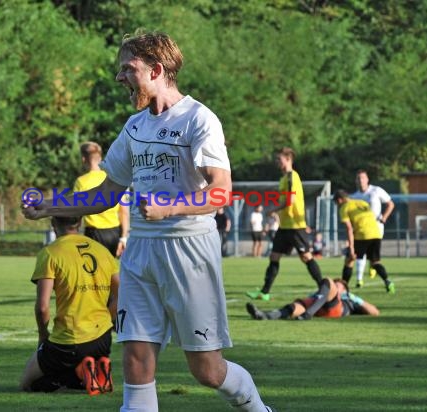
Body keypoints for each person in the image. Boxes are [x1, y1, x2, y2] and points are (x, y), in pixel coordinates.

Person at [23, 31, 273, 412]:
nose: (120, 77)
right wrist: (48, 204)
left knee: (206, 370)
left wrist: (168, 208)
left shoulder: (198, 119)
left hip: (189, 252)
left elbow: (221, 191)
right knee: (136, 358)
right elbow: (102, 195)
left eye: (129, 68)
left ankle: (257, 408)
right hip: (141, 253)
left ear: (156, 70)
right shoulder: (135, 127)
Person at [20, 216, 120, 395]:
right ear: (80, 223)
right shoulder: (102, 250)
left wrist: (43, 336)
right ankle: (93, 371)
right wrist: (107, 317)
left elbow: (42, 307)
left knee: (28, 383)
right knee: (66, 362)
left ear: (53, 224)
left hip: (68, 341)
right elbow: (123, 295)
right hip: (103, 340)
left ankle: (80, 372)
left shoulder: (51, 253)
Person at [246, 147, 323, 301]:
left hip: (295, 226)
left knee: (306, 257)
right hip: (284, 226)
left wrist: (273, 210)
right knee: (274, 257)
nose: (277, 162)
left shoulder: (291, 177)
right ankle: (265, 292)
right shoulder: (283, 179)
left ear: (288, 159)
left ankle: (324, 288)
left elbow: (290, 201)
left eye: (279, 159)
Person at [74, 142, 130, 257]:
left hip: (93, 233)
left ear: (84, 159)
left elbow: (76, 211)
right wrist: (124, 238)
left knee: (94, 272)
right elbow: (124, 211)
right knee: (113, 270)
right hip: (114, 233)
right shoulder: (114, 178)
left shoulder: (81, 181)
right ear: (100, 158)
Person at [333, 190, 395, 294]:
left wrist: (351, 247)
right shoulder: (362, 203)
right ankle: (388, 281)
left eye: (336, 203)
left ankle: (343, 288)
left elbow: (349, 228)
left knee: (350, 260)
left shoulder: (344, 207)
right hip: (376, 233)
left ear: (339, 200)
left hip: (362, 235)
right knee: (375, 262)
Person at [246, 277, 379, 321]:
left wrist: (356, 299)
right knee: (295, 306)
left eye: (338, 285)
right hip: (317, 306)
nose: (336, 285)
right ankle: (265, 315)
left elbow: (374, 312)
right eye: (335, 284)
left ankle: (308, 313)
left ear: (344, 290)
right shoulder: (320, 293)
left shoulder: (348, 300)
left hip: (333, 309)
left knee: (327, 280)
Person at [351, 170, 394, 287]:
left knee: (373, 254)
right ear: (356, 181)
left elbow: (390, 203)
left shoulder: (376, 190)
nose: (361, 180)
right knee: (361, 253)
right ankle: (359, 280)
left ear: (367, 179)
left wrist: (384, 217)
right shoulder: (354, 197)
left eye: (363, 178)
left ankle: (373, 265)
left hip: (376, 227)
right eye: (358, 178)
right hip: (361, 229)